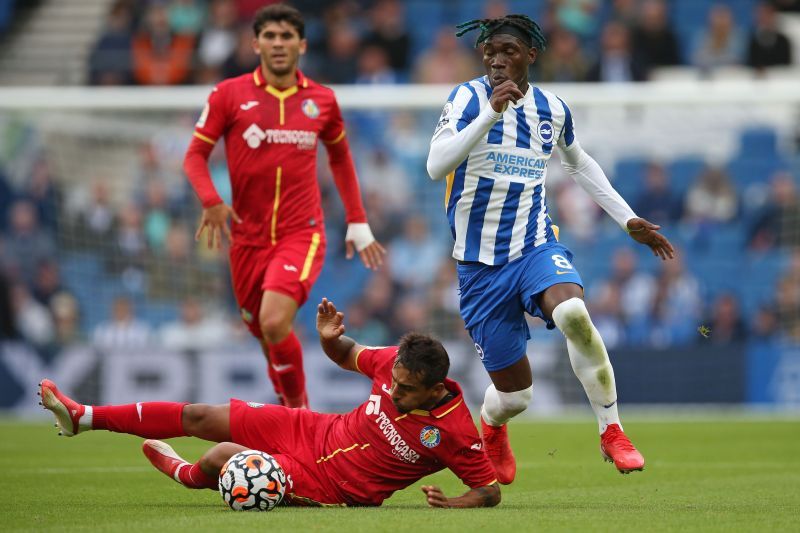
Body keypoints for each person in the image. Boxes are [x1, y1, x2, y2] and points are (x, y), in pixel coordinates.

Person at [426, 14, 674, 483]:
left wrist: (627, 218)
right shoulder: (465, 98)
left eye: (509, 52)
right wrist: (489, 114)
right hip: (479, 267)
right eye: (490, 52)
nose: (497, 61)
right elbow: (436, 166)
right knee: (517, 397)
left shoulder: (552, 109)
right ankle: (493, 425)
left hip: (535, 246)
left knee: (574, 314)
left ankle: (612, 430)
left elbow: (579, 164)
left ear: (531, 56)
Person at [38, 298, 500, 509]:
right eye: (393, 381)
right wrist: (327, 339)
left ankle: (185, 475)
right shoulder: (391, 364)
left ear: (435, 390)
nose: (393, 391)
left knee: (221, 458)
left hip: (331, 486)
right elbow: (345, 354)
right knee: (202, 416)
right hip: (315, 429)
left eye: (405, 390)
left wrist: (454, 504)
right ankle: (83, 417)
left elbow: (490, 490)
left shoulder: (454, 430)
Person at [183, 4, 386, 408]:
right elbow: (194, 156)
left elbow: (342, 158)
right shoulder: (228, 94)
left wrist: (357, 221)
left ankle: (299, 416)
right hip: (246, 239)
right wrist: (212, 201)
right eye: (270, 37)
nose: (279, 44)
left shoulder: (321, 100)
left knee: (274, 321)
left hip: (301, 233)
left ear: (302, 44)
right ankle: (287, 417)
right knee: (264, 334)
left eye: (287, 36)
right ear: (255, 43)